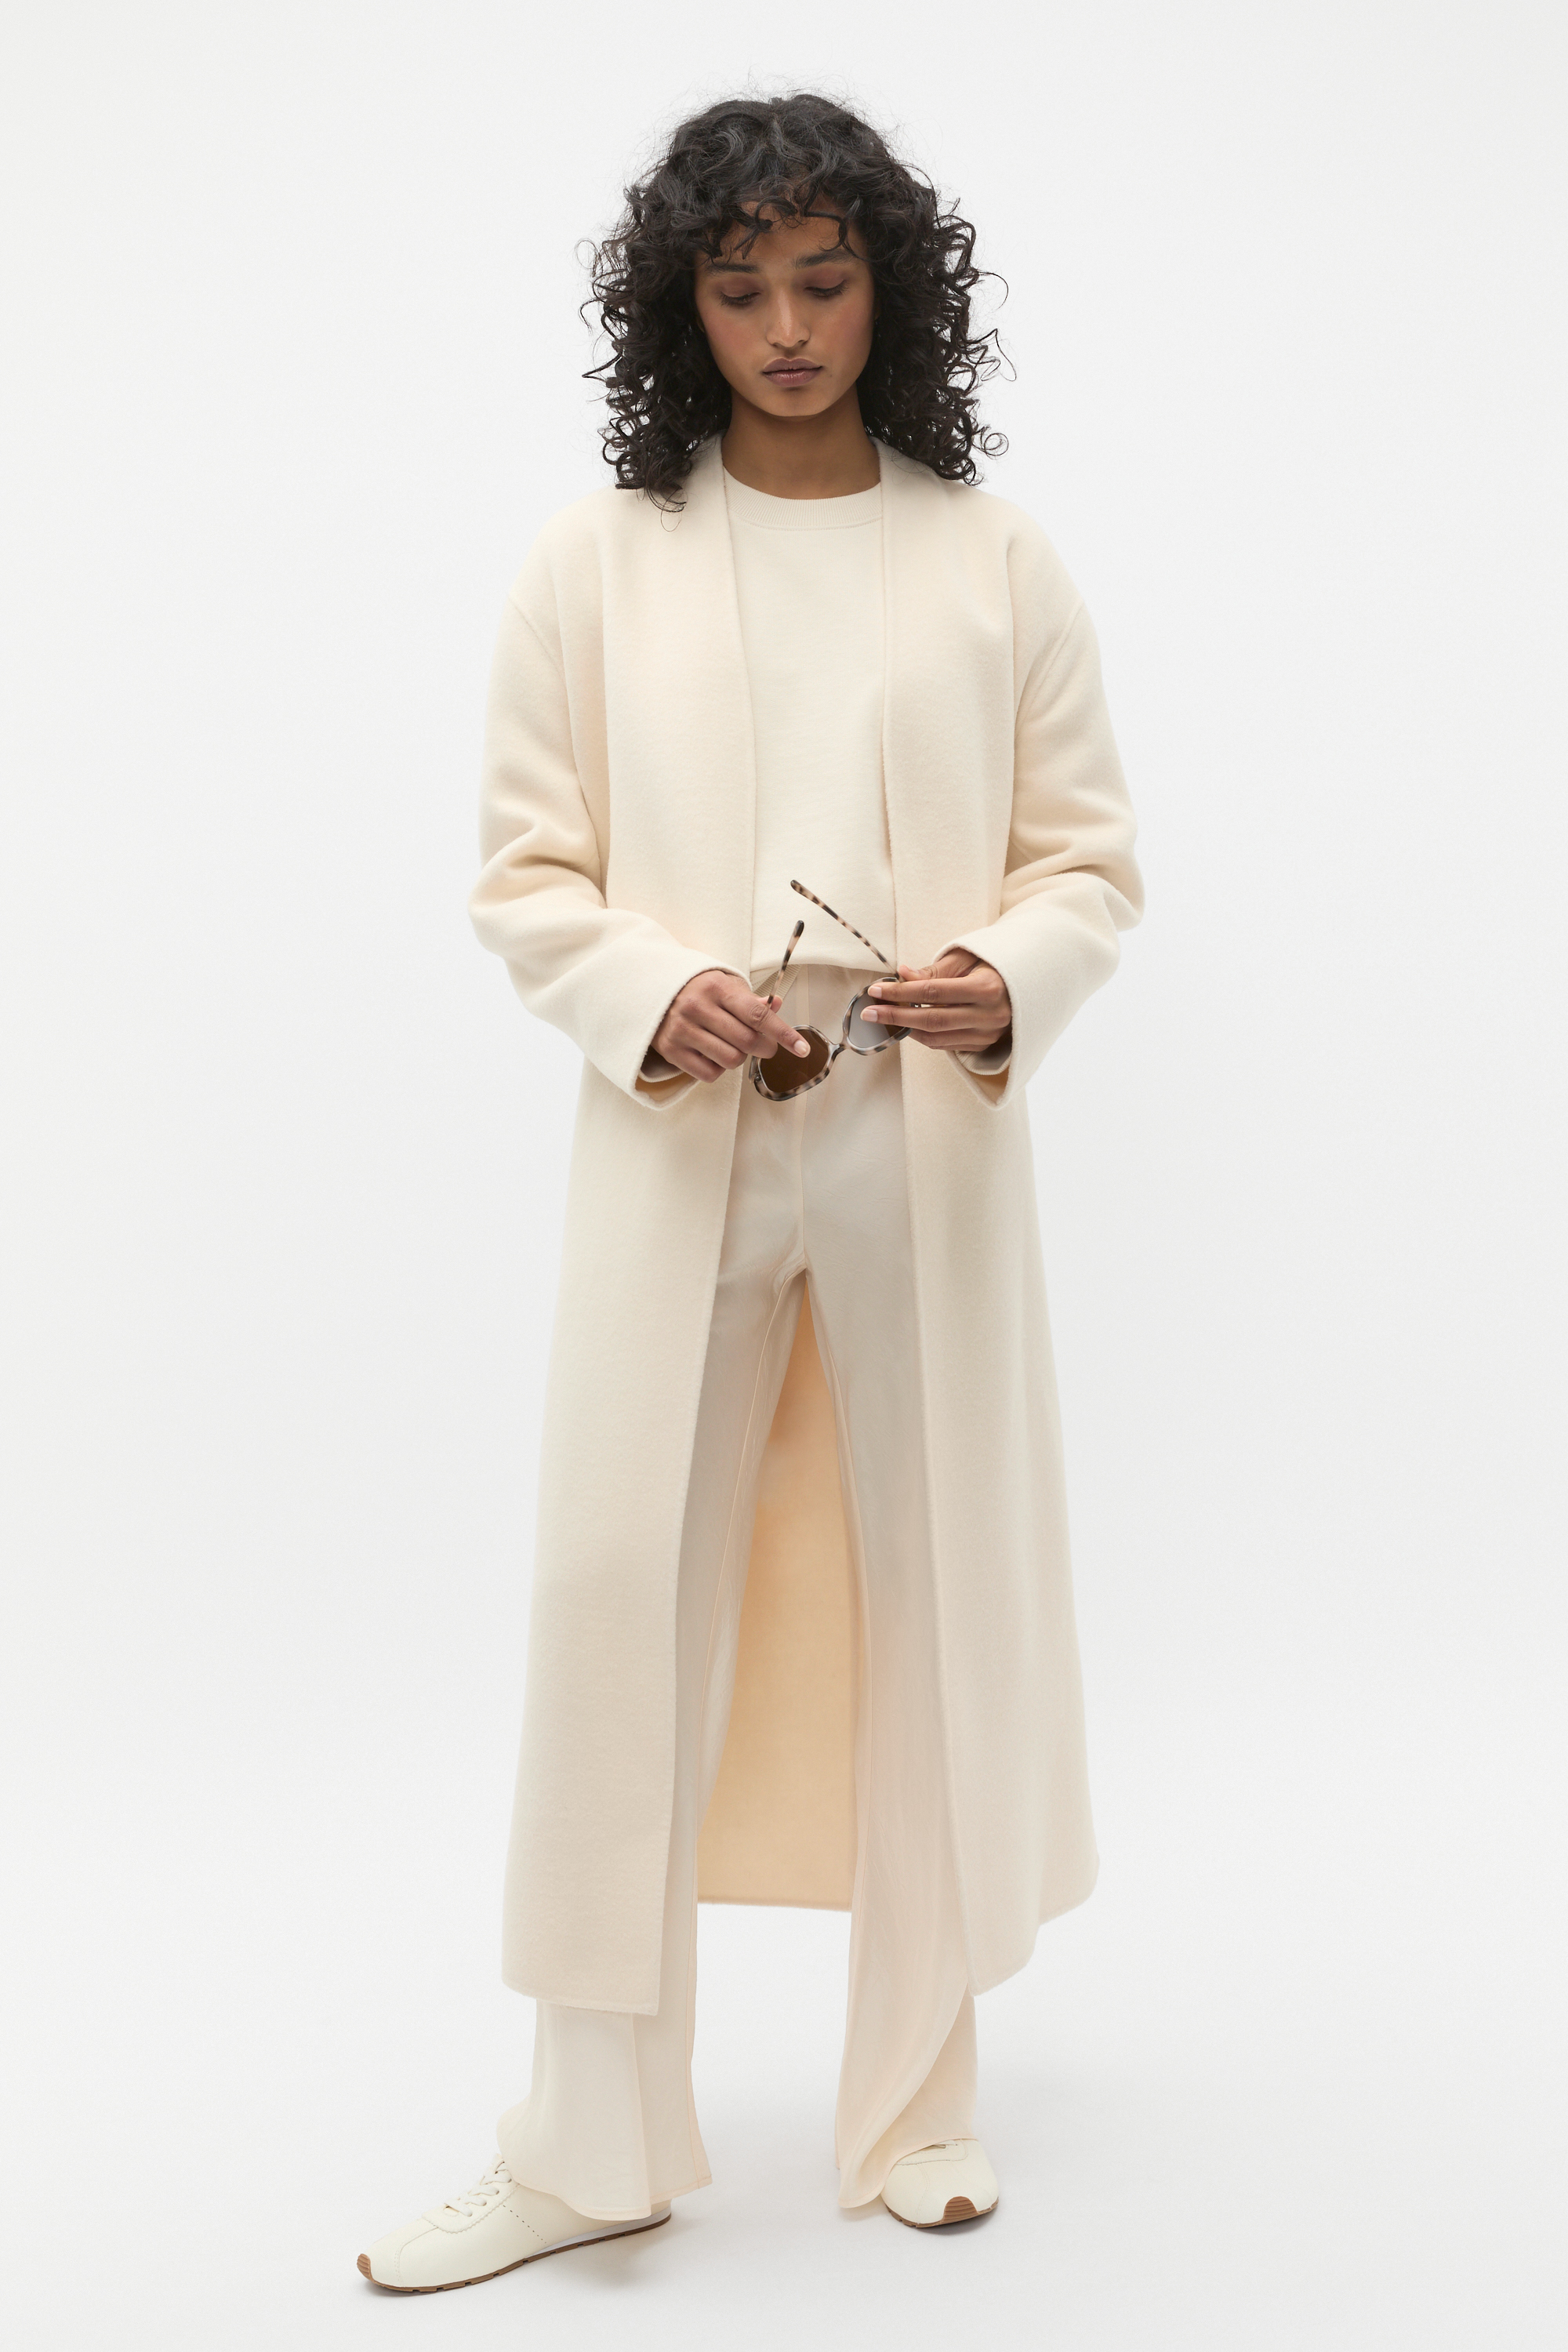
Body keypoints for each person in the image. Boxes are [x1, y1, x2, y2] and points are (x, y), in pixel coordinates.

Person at [358, 89, 1142, 2293]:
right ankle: (587, 2139)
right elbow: (528, 872)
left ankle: (917, 2105)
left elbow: (1090, 860)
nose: (786, 326)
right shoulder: (593, 563)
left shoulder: (993, 558)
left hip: (916, 1119)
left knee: (934, 1585)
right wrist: (648, 988)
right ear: (678, 310)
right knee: (620, 1596)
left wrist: (1006, 977)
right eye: (738, 287)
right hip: (685, 1119)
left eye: (823, 278)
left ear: (893, 292)